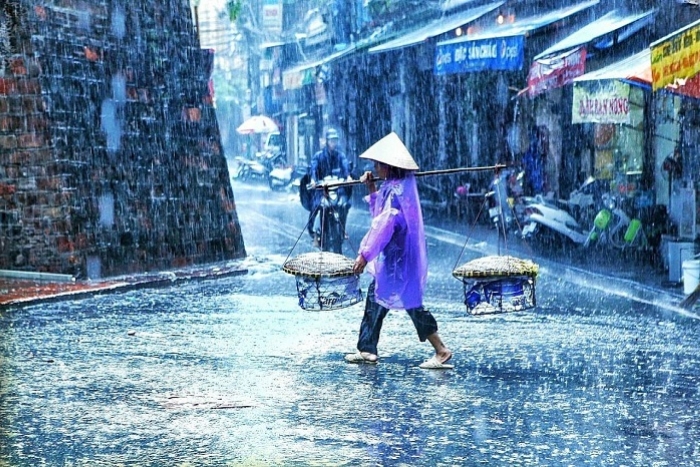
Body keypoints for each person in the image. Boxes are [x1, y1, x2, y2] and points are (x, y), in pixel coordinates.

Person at [344, 132, 453, 369]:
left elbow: (383, 225)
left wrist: (364, 255)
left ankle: (369, 349)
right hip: (403, 258)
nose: (375, 168)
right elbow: (381, 216)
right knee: (401, 302)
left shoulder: (395, 192)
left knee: (386, 300)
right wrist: (372, 187)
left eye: (377, 165)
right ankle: (370, 348)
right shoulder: (399, 188)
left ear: (388, 167)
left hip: (397, 260)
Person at [307, 128, 353, 241]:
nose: (333, 143)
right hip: (322, 189)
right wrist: (313, 180)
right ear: (327, 141)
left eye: (335, 140)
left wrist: (348, 176)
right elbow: (313, 167)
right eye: (331, 140)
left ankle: (342, 230)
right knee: (317, 205)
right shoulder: (319, 156)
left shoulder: (340, 156)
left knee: (345, 204)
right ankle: (311, 228)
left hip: (337, 189)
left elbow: (345, 164)